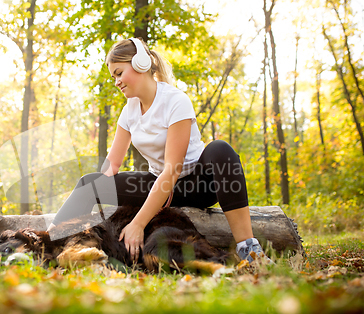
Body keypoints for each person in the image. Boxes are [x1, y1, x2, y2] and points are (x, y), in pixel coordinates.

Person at [51, 37, 272, 264]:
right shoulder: (129, 112)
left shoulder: (176, 101)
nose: (116, 81)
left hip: (197, 185)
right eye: (113, 76)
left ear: (140, 64)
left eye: (119, 73)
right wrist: (100, 186)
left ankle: (250, 251)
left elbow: (171, 171)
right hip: (160, 186)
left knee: (220, 149)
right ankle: (50, 244)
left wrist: (138, 223)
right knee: (89, 183)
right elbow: (112, 166)